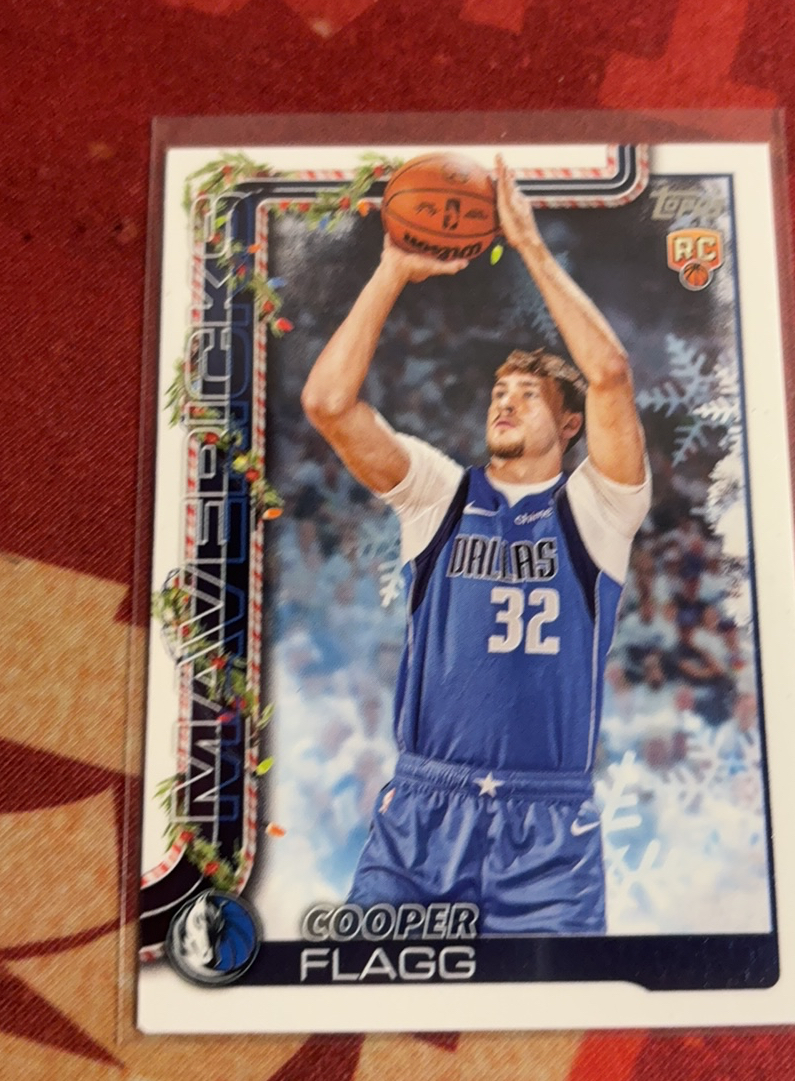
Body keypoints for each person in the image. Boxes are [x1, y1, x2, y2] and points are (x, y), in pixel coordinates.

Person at [301, 156, 650, 934]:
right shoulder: (440, 494)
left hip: (547, 830)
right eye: (499, 392)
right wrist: (392, 269)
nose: (505, 401)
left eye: (528, 395)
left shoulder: (598, 508)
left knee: (546, 1012)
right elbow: (326, 401)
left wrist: (530, 246)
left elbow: (609, 373)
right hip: (422, 813)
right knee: (363, 1001)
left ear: (569, 425)